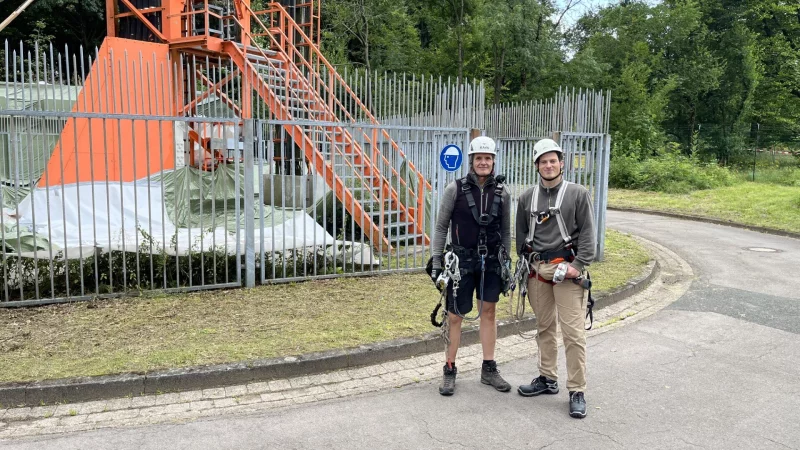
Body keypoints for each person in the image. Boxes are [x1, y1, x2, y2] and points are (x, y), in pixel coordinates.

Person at [515, 138, 596, 418]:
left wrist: (579, 264)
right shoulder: (527, 197)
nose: (548, 166)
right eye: (543, 161)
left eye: (553, 161)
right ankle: (547, 378)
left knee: (573, 334)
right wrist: (527, 264)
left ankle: (577, 390)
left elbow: (588, 234)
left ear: (562, 163)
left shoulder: (577, 193)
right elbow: (521, 234)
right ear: (536, 165)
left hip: (568, 271)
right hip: (538, 271)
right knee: (544, 327)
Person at [430, 136, 512, 396]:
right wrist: (436, 260)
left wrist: (506, 262)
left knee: (488, 313)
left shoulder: (503, 192)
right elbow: (441, 226)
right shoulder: (453, 190)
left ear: (494, 161)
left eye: (488, 158)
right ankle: (450, 369)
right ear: (471, 161)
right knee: (455, 316)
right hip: (461, 261)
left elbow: (507, 231)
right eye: (479, 158)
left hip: (491, 261)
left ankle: (488, 368)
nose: (484, 162)